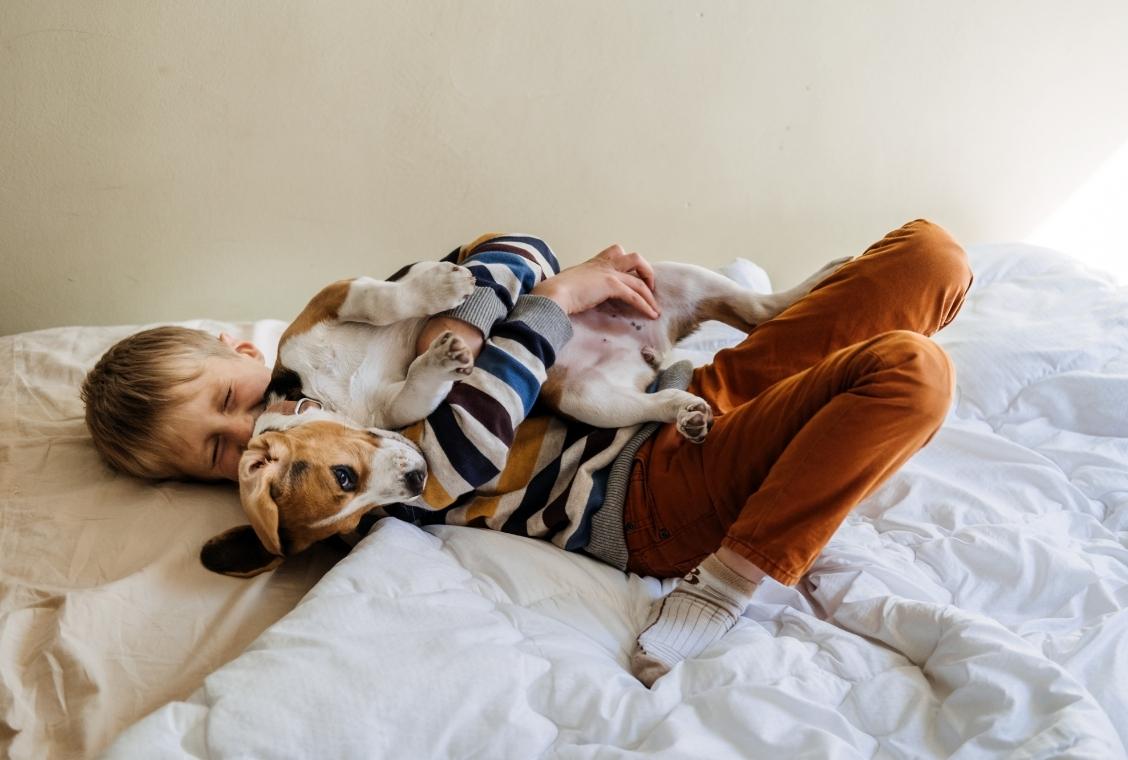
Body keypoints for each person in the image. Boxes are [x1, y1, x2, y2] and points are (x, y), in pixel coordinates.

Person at [82, 220, 972, 686]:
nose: (252, 436)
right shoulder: (336, 487)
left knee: (931, 257)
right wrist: (557, 297)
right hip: (647, 496)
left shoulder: (333, 348)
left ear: (244, 352)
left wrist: (472, 317)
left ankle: (816, 424)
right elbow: (462, 455)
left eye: (232, 404)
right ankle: (731, 579)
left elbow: (509, 248)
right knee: (911, 372)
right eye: (218, 455)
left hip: (682, 395)